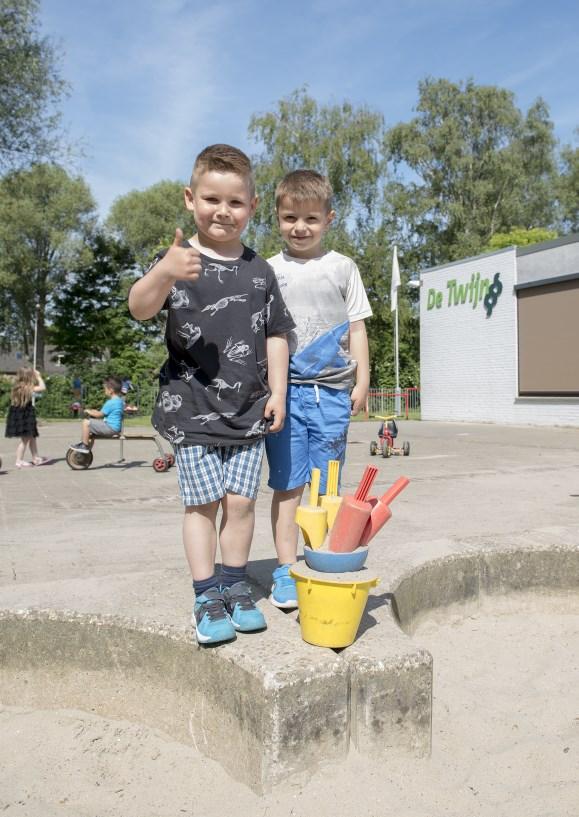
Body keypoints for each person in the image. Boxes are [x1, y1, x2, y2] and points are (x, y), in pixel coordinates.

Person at [128, 144, 294, 646]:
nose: (222, 211)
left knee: (240, 504)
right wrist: (163, 272)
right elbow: (139, 307)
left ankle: (234, 586)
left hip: (247, 411)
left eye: (235, 202)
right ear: (189, 199)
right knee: (202, 504)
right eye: (211, 199)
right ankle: (205, 594)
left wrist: (279, 392)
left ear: (253, 206)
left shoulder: (260, 271)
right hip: (191, 409)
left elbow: (277, 333)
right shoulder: (177, 260)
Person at [265, 170, 372, 608]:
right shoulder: (268, 270)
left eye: (311, 218)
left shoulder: (342, 267)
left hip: (331, 394)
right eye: (290, 217)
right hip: (286, 391)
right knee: (287, 485)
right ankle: (286, 569)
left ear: (329, 218)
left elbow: (357, 325)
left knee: (326, 486)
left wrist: (363, 378)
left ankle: (320, 559)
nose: (300, 227)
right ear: (277, 217)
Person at [5, 367, 49, 468]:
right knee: (25, 440)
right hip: (25, 415)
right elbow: (43, 387)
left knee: (32, 436)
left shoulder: (17, 386)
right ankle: (19, 460)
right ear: (28, 377)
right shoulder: (27, 387)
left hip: (19, 414)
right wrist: (39, 376)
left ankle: (35, 458)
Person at [70, 376, 125, 452]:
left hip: (110, 428)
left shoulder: (110, 402)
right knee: (92, 427)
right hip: (115, 428)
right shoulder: (119, 401)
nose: (104, 390)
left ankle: (84, 445)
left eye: (105, 388)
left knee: (86, 422)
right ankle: (86, 448)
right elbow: (103, 413)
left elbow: (99, 415)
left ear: (111, 390)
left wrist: (89, 411)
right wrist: (93, 411)